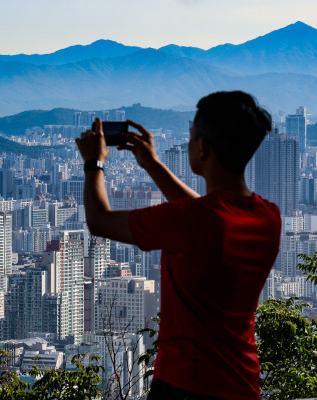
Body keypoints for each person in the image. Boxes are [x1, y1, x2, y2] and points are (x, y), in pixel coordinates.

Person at [76, 91, 281, 400]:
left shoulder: (192, 221)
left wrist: (93, 162)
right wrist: (151, 164)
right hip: (244, 384)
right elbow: (210, 215)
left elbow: (99, 220)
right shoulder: (269, 217)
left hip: (186, 385)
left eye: (191, 136)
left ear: (203, 148)